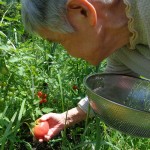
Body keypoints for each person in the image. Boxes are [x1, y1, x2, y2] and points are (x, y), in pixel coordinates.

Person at [21, 0, 150, 142]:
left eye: (60, 41)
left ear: (82, 11)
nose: (69, 53)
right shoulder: (120, 45)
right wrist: (68, 117)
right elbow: (114, 87)